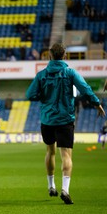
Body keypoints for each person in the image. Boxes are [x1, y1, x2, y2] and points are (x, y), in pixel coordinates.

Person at [26, 43, 105, 205]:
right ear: (65, 56)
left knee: (50, 151)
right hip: (65, 120)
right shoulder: (70, 73)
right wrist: (97, 104)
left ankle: (51, 186)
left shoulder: (41, 75)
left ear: (50, 56)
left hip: (47, 119)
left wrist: (44, 99)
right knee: (66, 155)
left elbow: (30, 94)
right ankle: (65, 190)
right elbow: (85, 89)